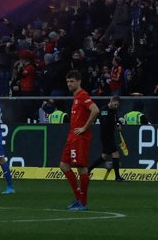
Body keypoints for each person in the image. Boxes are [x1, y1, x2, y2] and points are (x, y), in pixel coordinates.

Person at [60, 70, 99, 212]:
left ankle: (83, 202)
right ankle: (78, 198)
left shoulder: (82, 95)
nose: (69, 84)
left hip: (80, 137)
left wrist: (84, 128)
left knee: (81, 167)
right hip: (72, 136)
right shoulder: (76, 97)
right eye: (68, 82)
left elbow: (95, 110)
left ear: (79, 81)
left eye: (72, 81)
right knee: (63, 165)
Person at [89, 96, 125, 181]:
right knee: (115, 154)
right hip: (106, 135)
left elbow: (115, 120)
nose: (116, 106)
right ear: (111, 101)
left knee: (104, 156)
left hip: (110, 135)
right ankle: (117, 177)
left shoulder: (114, 110)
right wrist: (115, 124)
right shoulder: (104, 110)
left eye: (117, 105)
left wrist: (119, 123)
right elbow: (105, 122)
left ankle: (88, 170)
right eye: (115, 104)